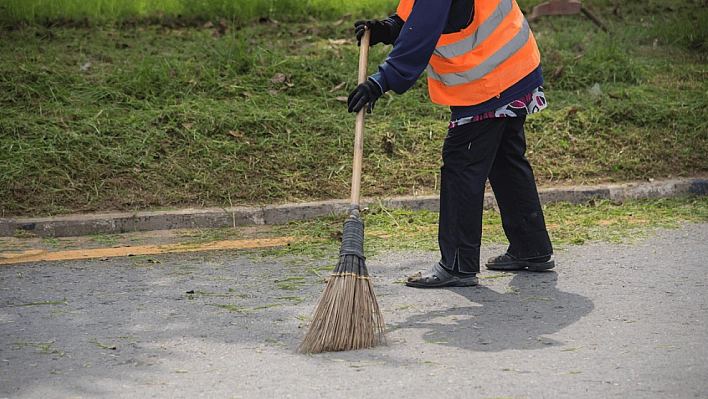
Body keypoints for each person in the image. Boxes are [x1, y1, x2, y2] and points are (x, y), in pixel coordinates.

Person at [347, 0, 555, 288]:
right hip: (515, 68)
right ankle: (531, 248)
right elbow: (435, 14)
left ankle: (458, 264)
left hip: (486, 80)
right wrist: (391, 27)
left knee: (461, 164)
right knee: (505, 159)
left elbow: (424, 30)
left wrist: (380, 82)